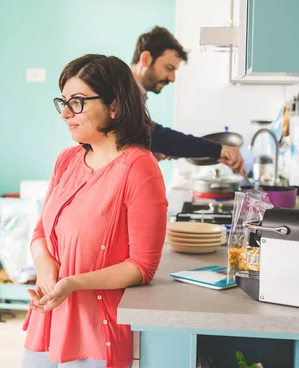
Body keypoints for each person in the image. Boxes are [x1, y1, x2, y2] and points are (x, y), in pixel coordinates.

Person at [22, 54, 168, 368]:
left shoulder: (140, 168)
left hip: (95, 335)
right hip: (47, 321)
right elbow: (40, 232)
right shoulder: (67, 160)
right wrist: (47, 270)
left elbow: (142, 266)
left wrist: (72, 283)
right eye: (63, 101)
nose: (64, 113)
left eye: (77, 102)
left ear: (114, 106)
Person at [130, 26, 246, 176]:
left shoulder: (134, 93)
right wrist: (218, 150)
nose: (172, 78)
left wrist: (150, 149)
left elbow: (142, 136)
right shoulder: (121, 91)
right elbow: (154, 134)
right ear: (146, 59)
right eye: (169, 68)